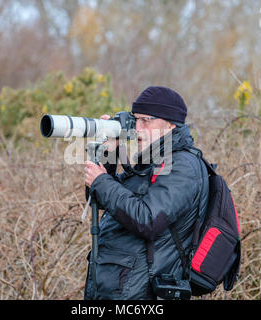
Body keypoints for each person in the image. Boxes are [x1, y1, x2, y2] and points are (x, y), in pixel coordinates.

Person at [83, 86, 209, 300]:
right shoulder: (149, 163)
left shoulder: (183, 166)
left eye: (146, 120)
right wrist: (109, 154)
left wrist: (102, 182)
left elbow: (148, 220)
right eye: (135, 120)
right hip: (118, 289)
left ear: (170, 124)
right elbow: (100, 200)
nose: (137, 128)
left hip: (143, 293)